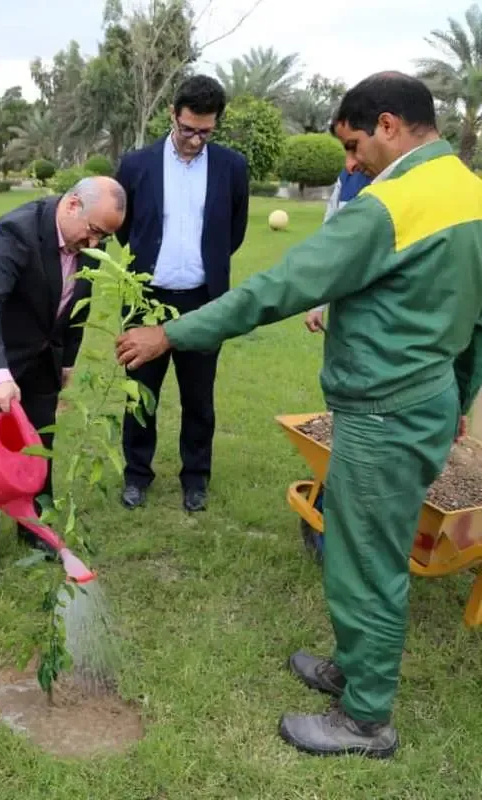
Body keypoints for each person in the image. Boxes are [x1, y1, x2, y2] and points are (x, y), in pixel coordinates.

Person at [115, 72, 482, 758]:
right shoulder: (470, 191)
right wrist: (458, 399)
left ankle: (365, 718)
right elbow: (480, 321)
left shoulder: (393, 205)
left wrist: (171, 334)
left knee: (366, 563)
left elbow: (282, 286)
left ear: (390, 126)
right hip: (424, 401)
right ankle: (356, 666)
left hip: (383, 414)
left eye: (352, 144)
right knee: (355, 540)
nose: (350, 163)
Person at [0, 176, 127, 590]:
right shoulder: (15, 231)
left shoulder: (91, 243)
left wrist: (68, 364)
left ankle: (33, 527)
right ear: (73, 205)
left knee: (40, 447)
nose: (95, 245)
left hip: (42, 357)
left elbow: (78, 307)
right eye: (93, 232)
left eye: (104, 237)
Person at [112, 75, 250, 513]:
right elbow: (124, 228)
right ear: (173, 114)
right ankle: (137, 475)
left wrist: (199, 263)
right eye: (188, 128)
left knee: (198, 396)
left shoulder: (232, 167)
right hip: (145, 298)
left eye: (205, 132)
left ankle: (196, 478)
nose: (195, 140)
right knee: (140, 395)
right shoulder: (137, 164)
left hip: (203, 301)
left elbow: (235, 231)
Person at [304, 166, 373, 333]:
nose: (349, 163)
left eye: (354, 147)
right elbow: (329, 243)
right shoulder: (347, 177)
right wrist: (318, 306)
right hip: (346, 313)